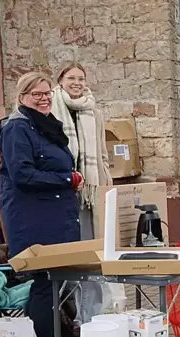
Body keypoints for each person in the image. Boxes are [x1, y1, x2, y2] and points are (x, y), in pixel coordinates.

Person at [0, 72, 83, 337]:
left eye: (47, 93)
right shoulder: (17, 129)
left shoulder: (45, 126)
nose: (44, 98)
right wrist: (64, 178)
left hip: (55, 217)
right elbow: (22, 174)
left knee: (54, 283)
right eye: (37, 94)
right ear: (22, 97)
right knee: (44, 284)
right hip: (34, 219)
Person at [50, 62, 112, 239]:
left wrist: (105, 176)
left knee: (91, 230)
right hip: (64, 179)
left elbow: (101, 150)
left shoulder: (94, 112)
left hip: (90, 181)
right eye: (71, 78)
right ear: (61, 80)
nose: (76, 83)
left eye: (81, 79)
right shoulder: (51, 108)